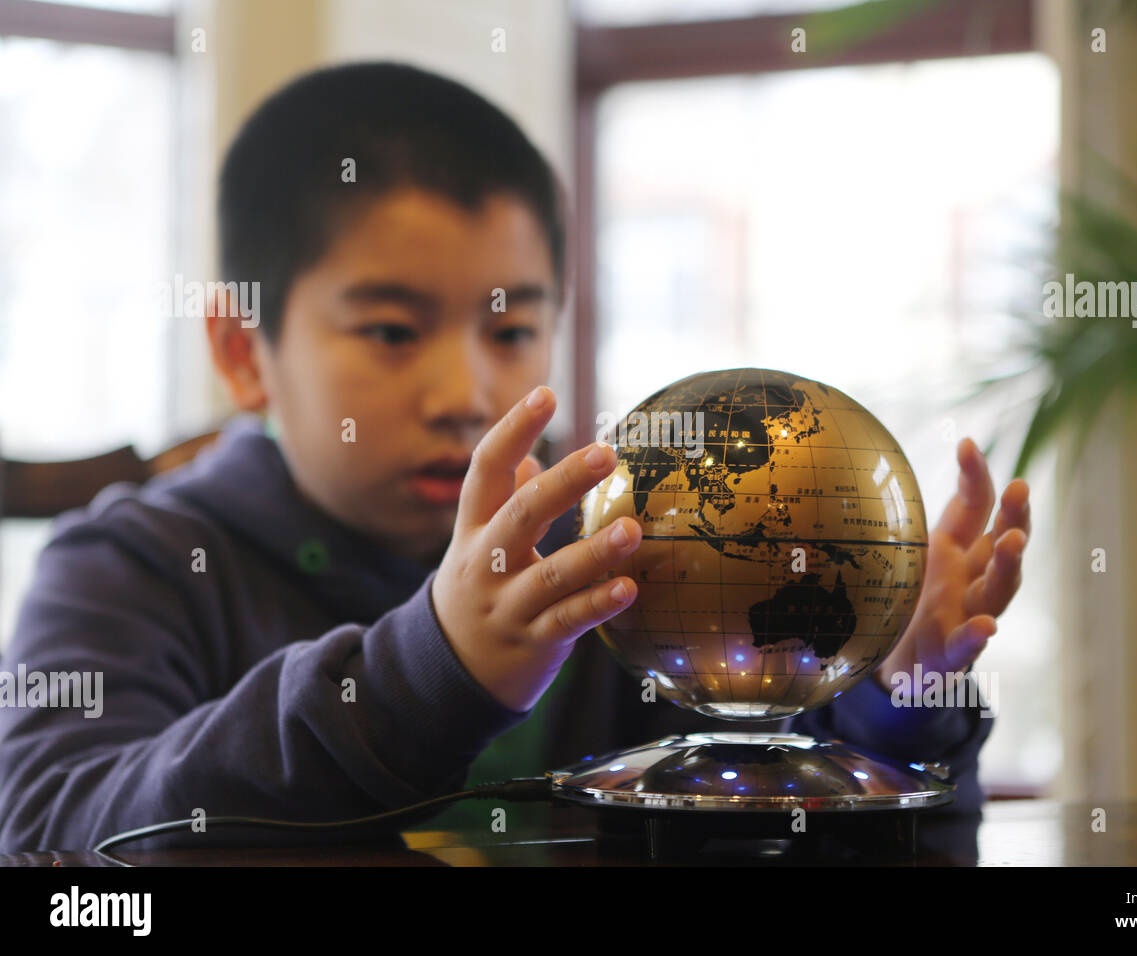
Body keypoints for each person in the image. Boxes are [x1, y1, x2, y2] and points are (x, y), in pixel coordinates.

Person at [0, 62, 1031, 853]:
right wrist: (428, 668)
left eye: (511, 331)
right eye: (392, 331)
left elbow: (774, 817)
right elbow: (52, 830)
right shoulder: (126, 564)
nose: (469, 395)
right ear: (241, 349)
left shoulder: (627, 554)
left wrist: (896, 699)